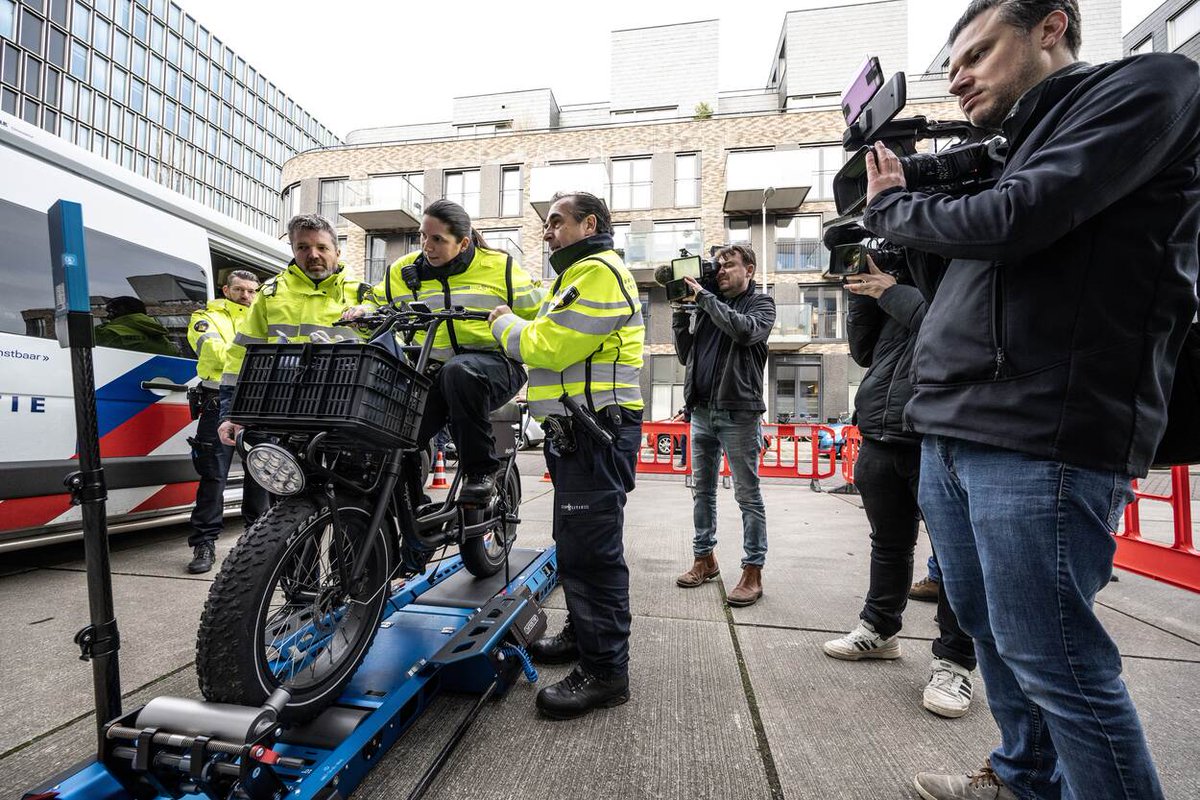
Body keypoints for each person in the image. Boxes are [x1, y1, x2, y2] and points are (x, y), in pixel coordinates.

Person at [862, 2, 1200, 798]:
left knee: (1055, 657)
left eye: (978, 53)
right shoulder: (1013, 148)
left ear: (1051, 27)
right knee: (985, 628)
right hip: (951, 424)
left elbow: (1023, 217)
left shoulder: (1152, 85)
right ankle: (1021, 778)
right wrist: (915, 194)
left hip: (1047, 429)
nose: (959, 76)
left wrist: (896, 208)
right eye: (953, 64)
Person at [488, 191, 644, 720]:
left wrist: (502, 323)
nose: (547, 231)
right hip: (578, 432)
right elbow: (540, 305)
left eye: (556, 222)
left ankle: (605, 673)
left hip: (598, 431)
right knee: (576, 543)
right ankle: (584, 636)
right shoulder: (574, 277)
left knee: (593, 553)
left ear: (589, 224)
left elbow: (548, 345)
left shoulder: (601, 271)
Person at [822, 256, 977, 720]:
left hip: (940, 435)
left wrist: (891, 291)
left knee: (956, 557)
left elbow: (951, 332)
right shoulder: (900, 281)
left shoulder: (963, 270)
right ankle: (879, 629)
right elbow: (865, 352)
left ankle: (954, 661)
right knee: (887, 544)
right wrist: (863, 296)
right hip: (881, 431)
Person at [345, 199, 541, 503]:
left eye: (438, 239)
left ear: (463, 243)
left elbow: (537, 316)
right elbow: (377, 304)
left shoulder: (500, 268)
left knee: (459, 371)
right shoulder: (403, 271)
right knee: (395, 438)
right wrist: (362, 313)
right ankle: (412, 517)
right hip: (431, 374)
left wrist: (513, 326)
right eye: (423, 235)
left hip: (495, 367)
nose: (427, 246)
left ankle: (480, 471)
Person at [670, 244, 775, 607]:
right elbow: (687, 355)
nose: (721, 271)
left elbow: (744, 332)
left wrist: (703, 299)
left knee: (747, 495)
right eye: (718, 266)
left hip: (739, 414)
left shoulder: (760, 305)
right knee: (703, 491)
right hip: (700, 412)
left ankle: (752, 570)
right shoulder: (708, 303)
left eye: (729, 265)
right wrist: (681, 315)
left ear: (750, 268)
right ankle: (704, 559)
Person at [217, 215, 370, 447]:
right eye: (303, 247)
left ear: (337, 252)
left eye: (321, 247)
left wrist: (368, 320)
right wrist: (230, 412)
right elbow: (240, 355)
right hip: (279, 413)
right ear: (293, 251)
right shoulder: (269, 294)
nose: (313, 254)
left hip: (343, 414)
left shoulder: (365, 295)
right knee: (267, 480)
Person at [183, 270, 270, 574]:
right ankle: (204, 544)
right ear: (226, 290)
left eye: (251, 291)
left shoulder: (265, 316)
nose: (246, 296)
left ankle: (257, 543)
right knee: (213, 478)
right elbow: (215, 353)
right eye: (240, 290)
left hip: (260, 405)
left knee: (261, 476)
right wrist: (254, 354)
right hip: (218, 402)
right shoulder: (206, 317)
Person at [94, 296, 179, 355]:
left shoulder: (109, 333)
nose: (108, 316)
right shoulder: (161, 337)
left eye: (111, 312)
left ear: (123, 312)